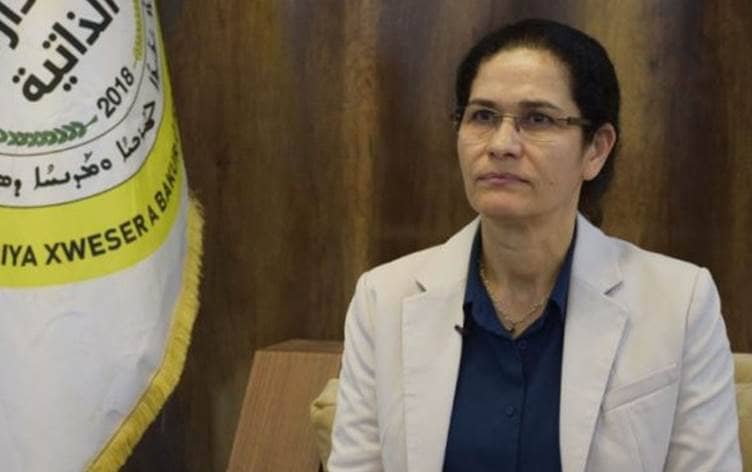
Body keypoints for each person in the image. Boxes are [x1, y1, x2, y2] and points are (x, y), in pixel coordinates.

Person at [328, 18, 741, 472]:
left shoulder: (679, 303)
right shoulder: (384, 299)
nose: (501, 144)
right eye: (483, 116)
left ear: (596, 150)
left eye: (537, 119)